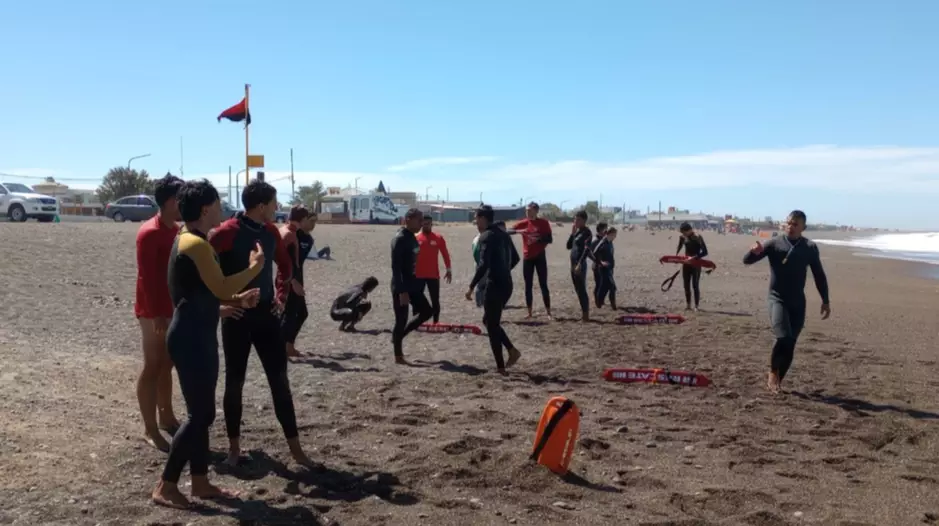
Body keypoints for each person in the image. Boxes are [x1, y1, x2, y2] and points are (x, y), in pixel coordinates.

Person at [152, 179, 263, 509]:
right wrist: (255, 268)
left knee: (200, 414)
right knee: (200, 414)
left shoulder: (188, 239)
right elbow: (220, 286)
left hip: (195, 332)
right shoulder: (195, 244)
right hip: (191, 337)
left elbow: (202, 291)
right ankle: (166, 485)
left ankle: (200, 482)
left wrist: (237, 299)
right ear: (205, 209)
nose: (222, 208)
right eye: (218, 203)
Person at [208, 179, 314, 467]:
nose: (278, 207)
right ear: (261, 205)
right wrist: (222, 304)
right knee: (235, 382)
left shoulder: (270, 231)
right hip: (237, 317)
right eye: (274, 202)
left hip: (266, 315)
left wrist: (280, 294)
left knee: (280, 382)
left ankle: (297, 451)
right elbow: (204, 273)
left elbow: (285, 264)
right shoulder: (225, 232)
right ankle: (234, 449)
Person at [743, 210, 831, 394]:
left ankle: (778, 380)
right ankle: (772, 373)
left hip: (798, 302)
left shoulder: (809, 248)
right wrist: (752, 252)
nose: (791, 226)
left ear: (803, 227)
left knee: (790, 343)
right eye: (789, 223)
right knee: (782, 337)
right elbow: (747, 261)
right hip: (777, 298)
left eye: (795, 224)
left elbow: (819, 275)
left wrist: (825, 300)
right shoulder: (774, 243)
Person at [134, 174, 185, 452]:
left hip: (171, 307)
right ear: (170, 201)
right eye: (181, 198)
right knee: (153, 365)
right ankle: (150, 428)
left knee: (168, 364)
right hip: (153, 311)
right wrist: (156, 315)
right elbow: (146, 278)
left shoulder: (176, 230)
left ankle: (167, 417)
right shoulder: (149, 232)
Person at [466, 205, 522, 373]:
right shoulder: (504, 235)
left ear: (483, 218)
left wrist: (471, 286)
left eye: (476, 218)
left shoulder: (486, 236)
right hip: (507, 285)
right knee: (490, 321)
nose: (475, 222)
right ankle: (511, 351)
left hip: (495, 285)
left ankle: (501, 367)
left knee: (492, 325)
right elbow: (516, 259)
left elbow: (483, 265)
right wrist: (503, 270)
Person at [391, 208, 434, 363]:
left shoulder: (411, 237)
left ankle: (400, 335)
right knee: (401, 320)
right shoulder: (400, 239)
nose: (422, 223)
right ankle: (398, 355)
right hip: (401, 285)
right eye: (419, 220)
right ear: (408, 220)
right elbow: (396, 268)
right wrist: (402, 291)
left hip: (413, 283)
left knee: (427, 311)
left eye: (423, 220)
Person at [277, 205, 316, 358]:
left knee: (296, 313)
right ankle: (283, 348)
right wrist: (293, 281)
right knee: (292, 314)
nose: (313, 224)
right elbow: (285, 262)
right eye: (310, 220)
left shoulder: (304, 238)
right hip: (290, 278)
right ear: (303, 219)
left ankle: (286, 346)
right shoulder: (291, 234)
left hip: (294, 277)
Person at [509, 202, 554, 318]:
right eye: (526, 210)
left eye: (530, 210)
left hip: (540, 256)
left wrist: (539, 239)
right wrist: (519, 231)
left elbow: (550, 239)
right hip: (527, 257)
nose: (527, 212)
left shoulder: (543, 223)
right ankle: (529, 313)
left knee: (543, 284)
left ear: (536, 211)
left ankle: (548, 312)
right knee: (528, 285)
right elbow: (508, 231)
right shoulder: (524, 223)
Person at [414, 215, 452, 324]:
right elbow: (410, 256)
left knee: (435, 300)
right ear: (421, 224)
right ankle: (417, 322)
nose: (426, 225)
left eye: (428, 223)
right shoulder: (416, 238)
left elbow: (445, 254)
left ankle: (436, 322)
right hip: (418, 275)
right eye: (424, 223)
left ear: (431, 224)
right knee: (417, 300)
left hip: (433, 275)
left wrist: (448, 269)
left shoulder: (438, 238)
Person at [566, 210, 595, 321]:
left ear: (584, 220)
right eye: (575, 219)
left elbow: (587, 250)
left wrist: (579, 263)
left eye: (578, 220)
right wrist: (572, 234)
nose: (575, 221)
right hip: (573, 264)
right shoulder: (577, 232)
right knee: (578, 289)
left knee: (582, 289)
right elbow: (568, 246)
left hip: (580, 265)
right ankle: (584, 313)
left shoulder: (587, 233)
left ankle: (586, 315)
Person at [676, 222, 709, 311]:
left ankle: (696, 306)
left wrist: (694, 258)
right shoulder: (682, 237)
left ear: (689, 230)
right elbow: (679, 247)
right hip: (686, 263)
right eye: (682, 232)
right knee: (686, 285)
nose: (683, 234)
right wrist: (676, 258)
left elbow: (705, 252)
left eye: (684, 232)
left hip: (696, 264)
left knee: (695, 285)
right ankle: (688, 305)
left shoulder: (698, 237)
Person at [594, 227, 618, 309]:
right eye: (614, 235)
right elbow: (594, 253)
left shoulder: (610, 242)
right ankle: (613, 306)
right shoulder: (603, 242)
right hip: (604, 269)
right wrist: (600, 262)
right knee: (612, 287)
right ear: (610, 234)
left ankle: (599, 303)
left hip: (610, 268)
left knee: (604, 286)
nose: (615, 237)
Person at [591, 222, 609, 308]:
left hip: (605, 265)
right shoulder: (595, 240)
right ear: (601, 229)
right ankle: (597, 301)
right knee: (599, 284)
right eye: (605, 228)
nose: (607, 230)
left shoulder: (604, 239)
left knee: (604, 284)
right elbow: (591, 253)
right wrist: (598, 262)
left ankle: (601, 300)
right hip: (597, 265)